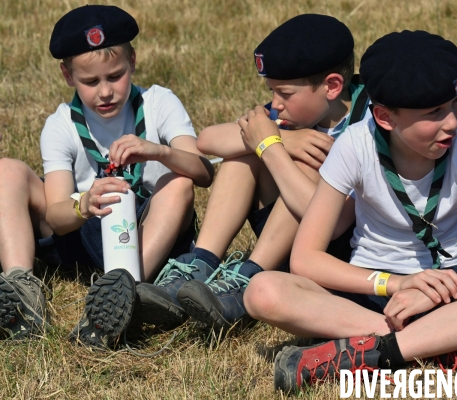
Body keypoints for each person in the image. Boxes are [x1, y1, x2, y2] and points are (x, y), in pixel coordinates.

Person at [239, 31, 457, 392]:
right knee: (261, 292)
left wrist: (438, 291)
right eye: (434, 112)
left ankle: (371, 354)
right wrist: (397, 284)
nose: (451, 121)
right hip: (375, 293)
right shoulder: (356, 144)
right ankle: (443, 347)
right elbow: (306, 259)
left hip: (456, 293)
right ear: (386, 117)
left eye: (454, 103)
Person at [136, 14, 371, 331]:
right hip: (287, 240)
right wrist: (282, 139)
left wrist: (272, 149)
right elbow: (208, 140)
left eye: (284, 94)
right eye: (271, 92)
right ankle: (200, 263)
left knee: (304, 164)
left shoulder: (368, 121)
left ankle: (245, 280)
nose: (276, 103)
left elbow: (332, 224)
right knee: (243, 153)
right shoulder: (291, 114)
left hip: (335, 250)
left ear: (332, 86)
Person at [0, 5, 214, 346]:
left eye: (115, 76)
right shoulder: (61, 125)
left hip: (148, 233)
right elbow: (56, 215)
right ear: (67, 76)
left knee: (178, 182)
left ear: (132, 61)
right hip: (85, 229)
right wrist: (83, 204)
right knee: (6, 171)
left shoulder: (159, 103)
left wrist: (158, 151)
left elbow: (204, 172)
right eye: (90, 81)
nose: (105, 92)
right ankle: (21, 291)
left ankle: (124, 289)